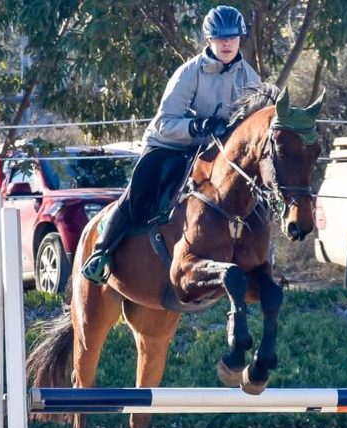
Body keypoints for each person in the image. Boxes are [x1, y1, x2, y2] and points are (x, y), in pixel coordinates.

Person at [81, 5, 262, 284]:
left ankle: (260, 258)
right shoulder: (189, 73)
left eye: (232, 38)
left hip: (214, 149)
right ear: (209, 40)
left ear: (240, 39)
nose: (227, 43)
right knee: (140, 189)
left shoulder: (250, 78)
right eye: (220, 38)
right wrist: (196, 126)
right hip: (170, 143)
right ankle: (101, 252)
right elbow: (166, 122)